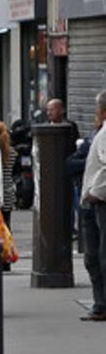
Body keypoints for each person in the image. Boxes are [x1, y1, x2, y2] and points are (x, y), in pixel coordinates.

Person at [76, 91, 106, 322]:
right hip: (96, 201)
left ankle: (101, 305)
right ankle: (100, 304)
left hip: (100, 202)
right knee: (94, 255)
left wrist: (95, 193)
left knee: (98, 255)